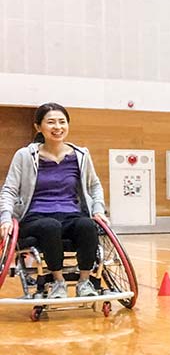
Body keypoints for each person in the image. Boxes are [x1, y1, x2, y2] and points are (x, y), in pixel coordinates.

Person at [0, 103, 108, 298]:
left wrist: (98, 209)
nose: (57, 127)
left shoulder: (80, 155)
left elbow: (95, 186)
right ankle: (59, 282)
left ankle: (85, 282)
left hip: (71, 215)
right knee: (50, 226)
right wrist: (6, 218)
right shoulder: (25, 156)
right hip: (35, 217)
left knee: (86, 225)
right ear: (38, 127)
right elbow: (9, 189)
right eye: (51, 122)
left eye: (62, 122)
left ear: (68, 125)